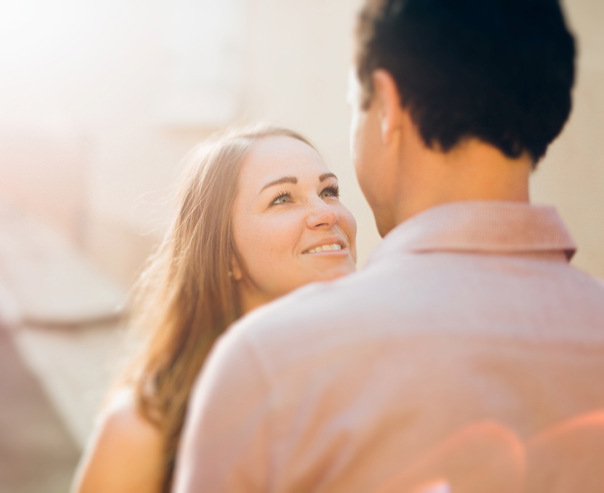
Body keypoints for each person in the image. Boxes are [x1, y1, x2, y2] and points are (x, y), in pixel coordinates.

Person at [174, 0, 604, 491]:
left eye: (354, 106)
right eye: (283, 199)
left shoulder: (271, 366)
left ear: (386, 103)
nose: (325, 213)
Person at [71, 125, 357, 493]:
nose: (326, 214)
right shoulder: (146, 431)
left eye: (329, 191)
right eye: (283, 198)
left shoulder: (375, 383)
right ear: (224, 253)